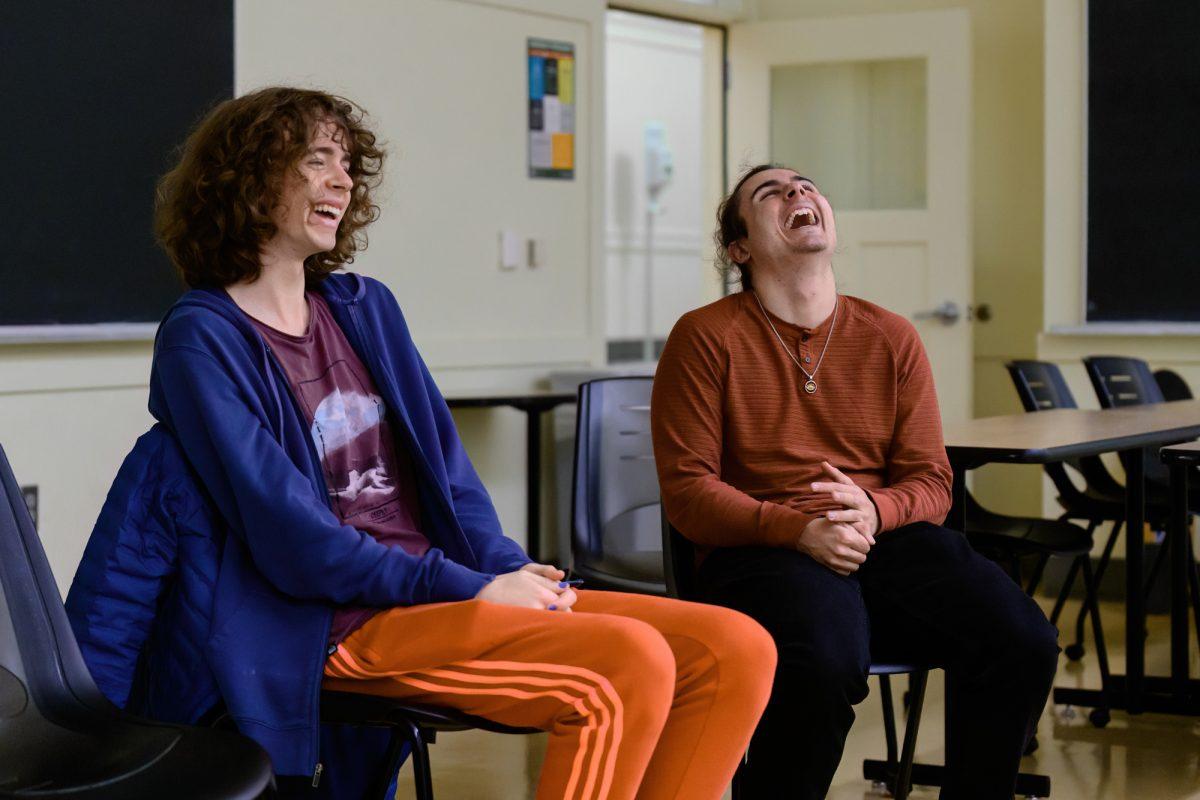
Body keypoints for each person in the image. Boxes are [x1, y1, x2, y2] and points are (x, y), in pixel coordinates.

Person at [148, 87, 775, 798]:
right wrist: (471, 586)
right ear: (250, 177)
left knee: (736, 648)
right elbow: (293, 539)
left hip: (437, 593)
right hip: (335, 622)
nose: (343, 180)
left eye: (347, 163)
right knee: (626, 664)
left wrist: (510, 570)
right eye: (316, 159)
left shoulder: (365, 308)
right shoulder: (202, 336)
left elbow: (450, 476)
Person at [650, 165, 1059, 800]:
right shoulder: (704, 337)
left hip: (882, 538)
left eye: (807, 185)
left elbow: (931, 480)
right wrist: (799, 529)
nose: (798, 193)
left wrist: (873, 509)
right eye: (770, 193)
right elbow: (688, 491)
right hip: (764, 548)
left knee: (1022, 640)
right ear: (741, 248)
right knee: (823, 661)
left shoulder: (891, 336)